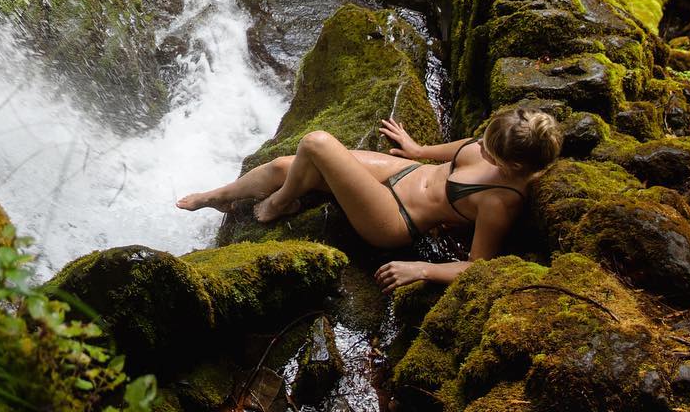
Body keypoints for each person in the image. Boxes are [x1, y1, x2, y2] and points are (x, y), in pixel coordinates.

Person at [176, 107, 561, 292]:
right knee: (285, 165)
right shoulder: (494, 145)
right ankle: (220, 196)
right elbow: (464, 147)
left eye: (490, 151)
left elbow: (479, 265)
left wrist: (421, 270)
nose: (482, 149)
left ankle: (279, 205)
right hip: (404, 175)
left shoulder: (500, 201)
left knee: (317, 143)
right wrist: (419, 149)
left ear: (511, 164)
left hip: (394, 218)